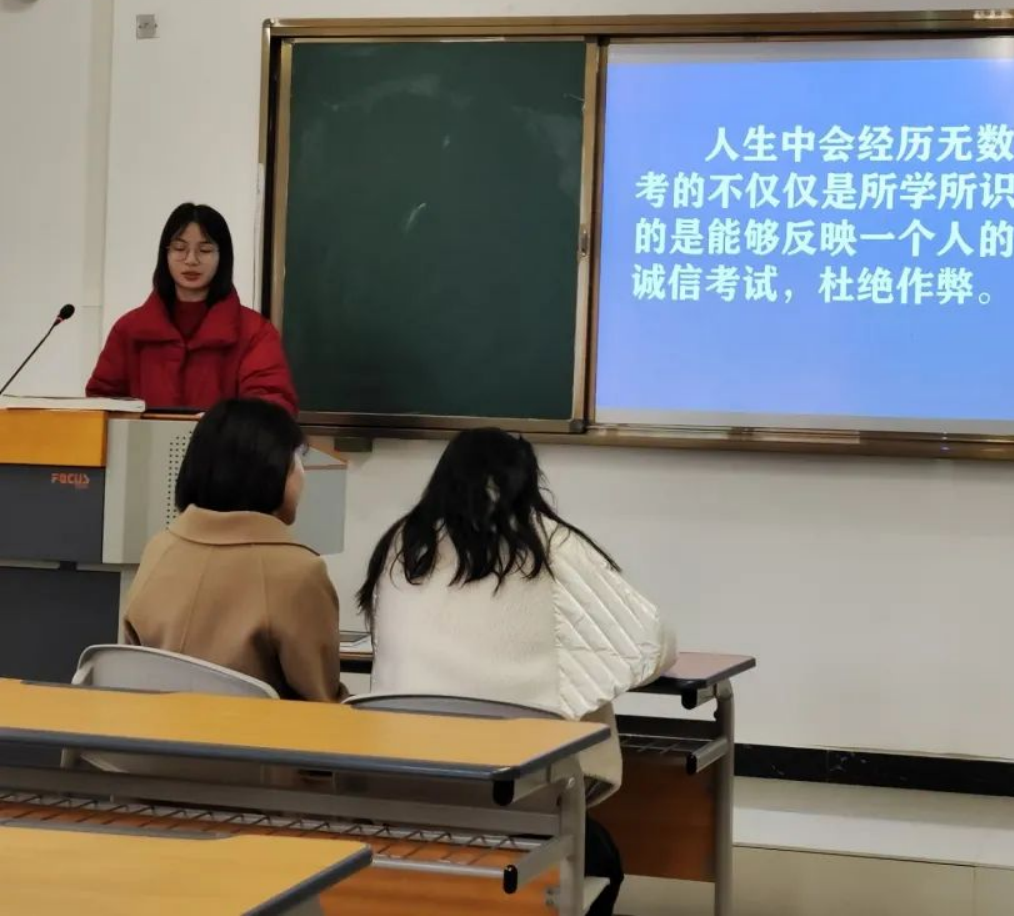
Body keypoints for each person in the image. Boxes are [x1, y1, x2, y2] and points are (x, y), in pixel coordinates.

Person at [358, 428, 676, 916]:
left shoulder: (402, 545)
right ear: (527, 481)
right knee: (603, 857)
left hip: (399, 787)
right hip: (522, 798)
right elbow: (649, 642)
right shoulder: (550, 545)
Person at [122, 398, 343, 703]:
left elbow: (131, 668)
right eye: (297, 459)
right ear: (272, 470)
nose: (303, 473)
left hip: (153, 730)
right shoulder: (299, 571)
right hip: (253, 734)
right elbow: (321, 703)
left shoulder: (159, 549)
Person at [87, 202, 297, 414]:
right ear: (165, 255)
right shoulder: (129, 330)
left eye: (204, 250)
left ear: (222, 257)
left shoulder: (254, 332)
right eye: (180, 249)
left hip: (222, 437)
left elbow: (271, 409)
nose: (191, 260)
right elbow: (101, 404)